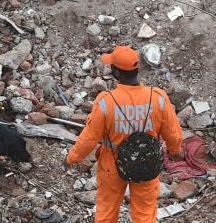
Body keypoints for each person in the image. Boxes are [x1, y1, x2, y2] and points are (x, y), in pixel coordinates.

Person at [66, 45, 184, 223]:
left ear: (115, 72)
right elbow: (173, 133)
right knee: (144, 214)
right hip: (147, 163)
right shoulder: (158, 97)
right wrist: (174, 151)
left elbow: (89, 139)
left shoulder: (106, 102)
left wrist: (72, 158)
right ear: (137, 70)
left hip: (111, 165)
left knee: (106, 211)